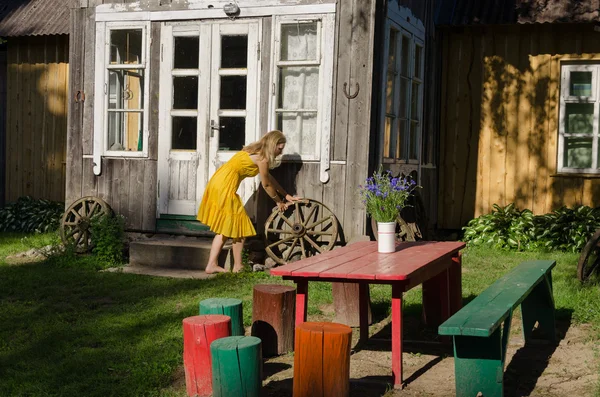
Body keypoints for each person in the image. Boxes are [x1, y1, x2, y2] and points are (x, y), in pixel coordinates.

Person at [197, 130, 301, 274]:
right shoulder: (262, 158)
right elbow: (266, 185)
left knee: (226, 227)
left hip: (219, 181)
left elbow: (269, 178)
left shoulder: (254, 151)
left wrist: (286, 195)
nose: (280, 152)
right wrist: (278, 201)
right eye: (280, 148)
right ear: (273, 144)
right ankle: (238, 267)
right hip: (225, 186)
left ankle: (212, 265)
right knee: (239, 226)